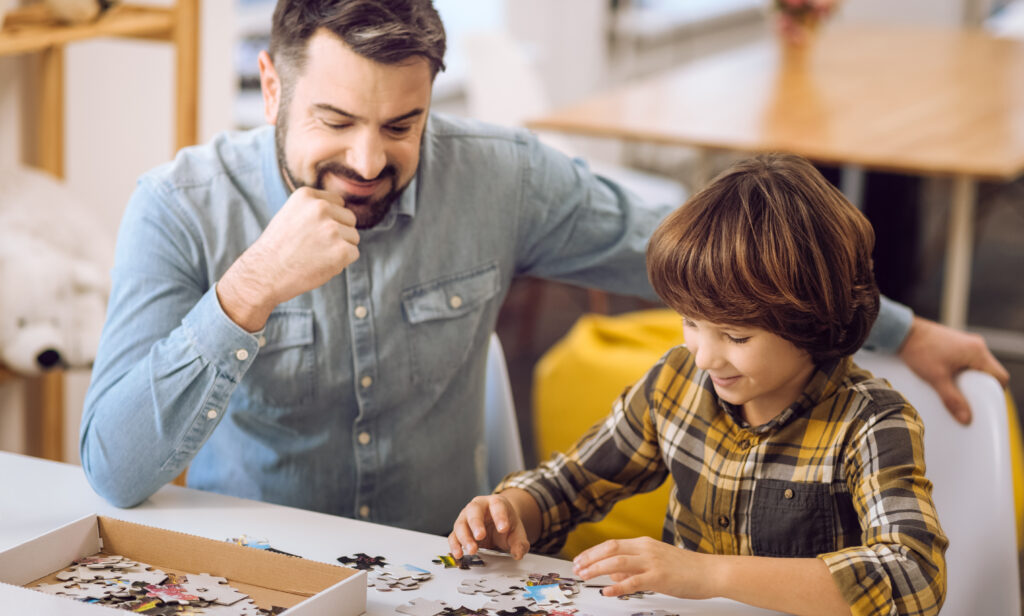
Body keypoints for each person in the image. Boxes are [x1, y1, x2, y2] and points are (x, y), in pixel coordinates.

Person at [81, 0, 1004, 537]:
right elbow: (114, 468)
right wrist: (247, 292)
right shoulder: (178, 206)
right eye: (335, 121)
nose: (368, 161)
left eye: (401, 125)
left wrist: (905, 327)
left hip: (443, 576)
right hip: (259, 571)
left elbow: (710, 258)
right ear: (273, 89)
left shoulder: (501, 176)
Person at [449, 154, 948, 616]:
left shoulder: (873, 423)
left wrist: (709, 574)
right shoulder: (678, 380)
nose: (705, 356)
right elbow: (572, 483)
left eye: (736, 337)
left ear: (814, 323)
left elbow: (913, 576)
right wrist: (510, 510)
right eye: (690, 321)